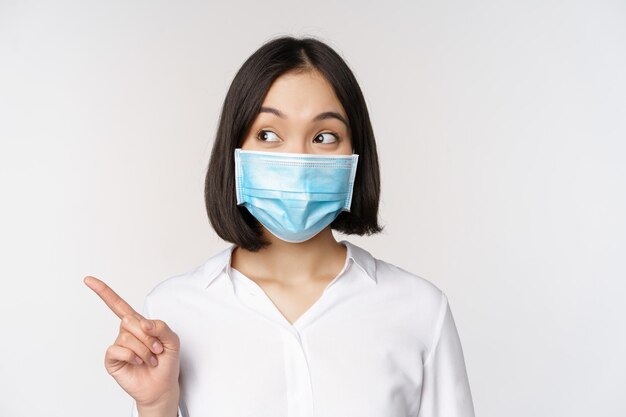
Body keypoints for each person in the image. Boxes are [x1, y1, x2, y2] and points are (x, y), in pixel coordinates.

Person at [84, 35, 475, 417]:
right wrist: (156, 407)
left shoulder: (420, 310)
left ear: (356, 155)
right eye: (268, 134)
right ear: (234, 151)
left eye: (324, 136)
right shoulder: (171, 314)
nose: (298, 161)